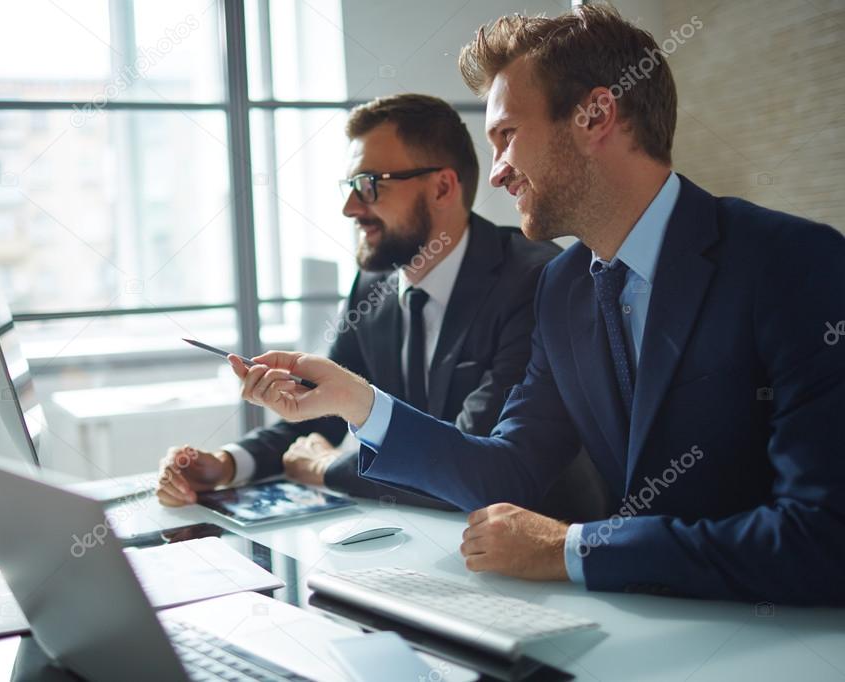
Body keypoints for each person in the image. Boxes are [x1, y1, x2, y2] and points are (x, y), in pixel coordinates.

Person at [224, 5, 845, 605]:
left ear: (597, 115)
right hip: (640, 624)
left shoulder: (794, 263)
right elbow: (508, 470)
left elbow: (823, 538)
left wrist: (572, 550)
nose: (495, 173)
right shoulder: (565, 287)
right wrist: (358, 402)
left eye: (507, 137)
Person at [157, 94, 583, 513]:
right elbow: (320, 406)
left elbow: (472, 462)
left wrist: (329, 468)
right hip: (413, 540)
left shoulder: (532, 281)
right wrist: (228, 464)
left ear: (442, 187)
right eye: (350, 186)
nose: (349, 208)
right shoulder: (374, 284)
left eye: (369, 185)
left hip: (528, 549)